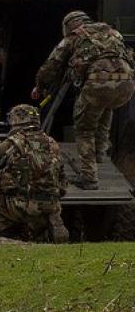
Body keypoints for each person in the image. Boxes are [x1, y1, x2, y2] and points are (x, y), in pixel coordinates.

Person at [31, 11, 135, 190]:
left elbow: (52, 65)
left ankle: (89, 178)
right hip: (126, 85)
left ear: (70, 26)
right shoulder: (112, 33)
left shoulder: (73, 37)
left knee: (84, 129)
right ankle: (99, 156)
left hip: (97, 84)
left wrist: (39, 86)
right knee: (105, 107)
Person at [0, 104, 69, 243]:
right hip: (52, 205)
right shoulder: (52, 143)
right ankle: (44, 224)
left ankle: (9, 232)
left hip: (23, 207)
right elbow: (62, 180)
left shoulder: (10, 144)